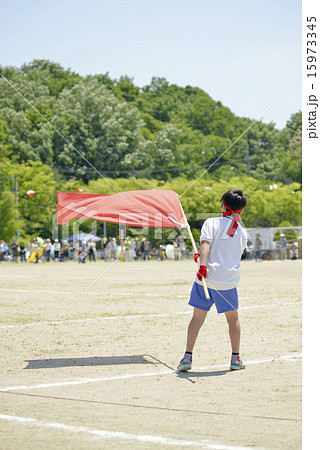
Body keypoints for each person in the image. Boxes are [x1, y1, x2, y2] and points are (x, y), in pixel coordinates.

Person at [177, 189, 248, 372]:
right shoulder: (242, 231)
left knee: (196, 319)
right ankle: (235, 358)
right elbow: (228, 253)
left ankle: (187, 357)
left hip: (206, 279)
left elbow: (206, 244)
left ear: (224, 204)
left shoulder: (211, 222)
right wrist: (203, 258)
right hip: (227, 280)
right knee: (233, 320)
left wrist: (203, 264)